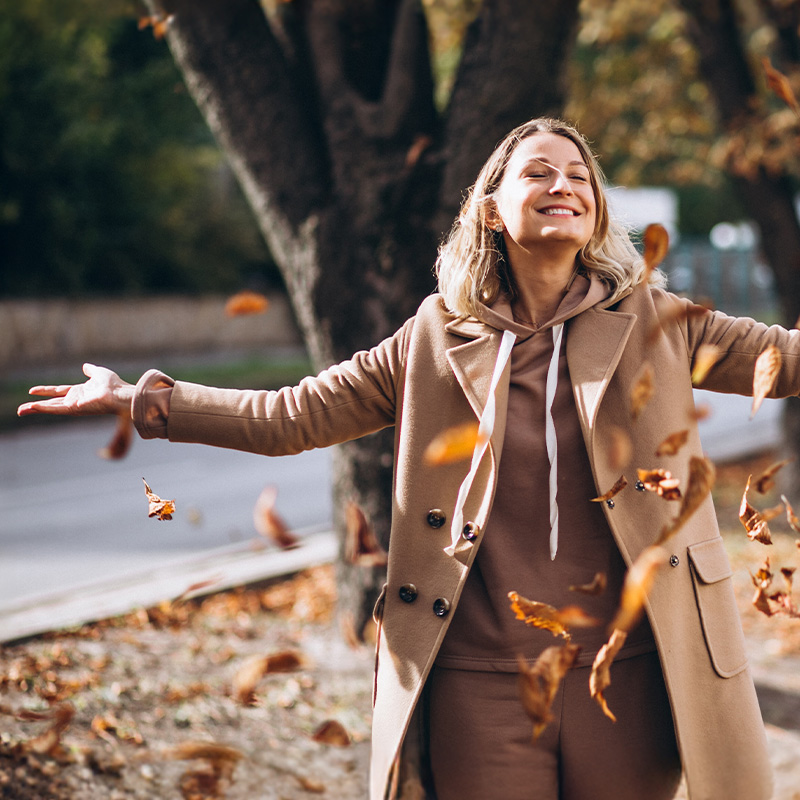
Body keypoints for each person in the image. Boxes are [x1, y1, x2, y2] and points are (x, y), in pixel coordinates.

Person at [17, 117, 788, 800]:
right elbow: (295, 415)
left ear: (597, 212)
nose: (565, 185)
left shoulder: (659, 320)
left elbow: (782, 359)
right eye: (539, 172)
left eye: (580, 176)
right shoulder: (432, 338)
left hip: (629, 671)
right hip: (479, 679)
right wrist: (144, 400)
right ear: (492, 210)